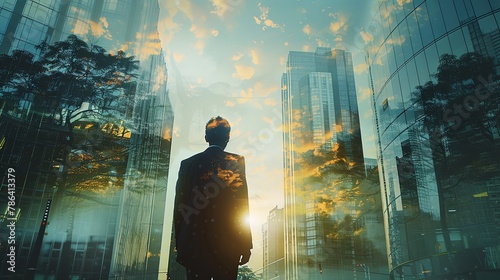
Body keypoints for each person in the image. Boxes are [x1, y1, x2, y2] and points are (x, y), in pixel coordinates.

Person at [174, 116, 252, 280]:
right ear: (228, 138)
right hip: (227, 246)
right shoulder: (236, 162)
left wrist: (180, 243)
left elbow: (180, 206)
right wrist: (245, 245)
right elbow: (242, 205)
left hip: (195, 245)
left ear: (206, 137)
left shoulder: (187, 164)